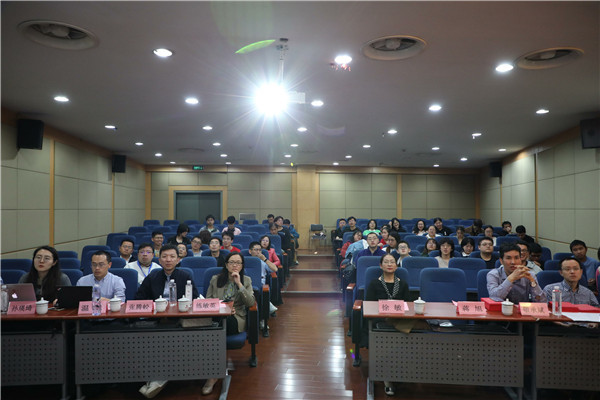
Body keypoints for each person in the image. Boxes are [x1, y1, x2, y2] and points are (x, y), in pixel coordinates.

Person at [135, 244, 198, 398]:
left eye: (172, 257)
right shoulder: (153, 276)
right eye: (164, 256)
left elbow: (195, 299)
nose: (168, 260)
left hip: (178, 319)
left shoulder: (185, 276)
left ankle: (159, 377)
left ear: (178, 260)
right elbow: (139, 299)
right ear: (159, 259)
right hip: (156, 318)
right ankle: (156, 376)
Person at [203, 252, 256, 395]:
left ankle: (212, 376)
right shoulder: (215, 279)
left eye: (238, 263)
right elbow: (208, 301)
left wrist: (239, 284)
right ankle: (211, 370)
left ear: (242, 266)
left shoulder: (246, 280)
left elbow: (250, 302)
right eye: (232, 262)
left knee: (216, 328)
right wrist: (223, 308)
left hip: (235, 318)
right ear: (226, 265)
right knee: (213, 326)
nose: (235, 265)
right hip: (217, 315)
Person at [364, 253, 410, 396]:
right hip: (380, 321)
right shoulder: (374, 283)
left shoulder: (402, 284)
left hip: (399, 320)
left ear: (396, 266)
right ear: (381, 265)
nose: (389, 264)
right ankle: (388, 380)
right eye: (386, 262)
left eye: (392, 262)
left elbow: (408, 306)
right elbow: (369, 306)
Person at [249, 241, 279, 317]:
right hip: (248, 283)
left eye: (260, 250)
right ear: (250, 251)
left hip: (260, 283)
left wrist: (265, 259)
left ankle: (261, 317)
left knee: (258, 291)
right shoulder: (246, 261)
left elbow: (275, 269)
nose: (258, 252)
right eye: (256, 250)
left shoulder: (263, 262)